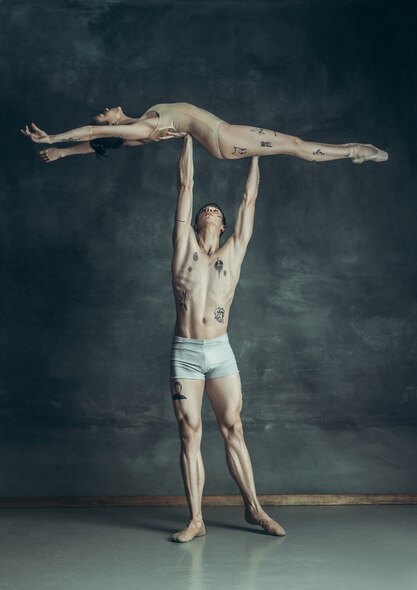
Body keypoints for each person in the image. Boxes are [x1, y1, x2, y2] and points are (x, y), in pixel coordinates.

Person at [169, 134, 285, 543]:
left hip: (220, 352)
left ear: (224, 224)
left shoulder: (233, 253)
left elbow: (248, 201)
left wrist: (255, 153)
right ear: (200, 220)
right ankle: (196, 520)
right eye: (207, 209)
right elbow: (186, 185)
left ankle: (254, 508)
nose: (213, 211)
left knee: (233, 427)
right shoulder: (184, 248)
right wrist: (186, 135)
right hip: (186, 353)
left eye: (218, 210)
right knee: (190, 432)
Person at [21, 102, 388, 164]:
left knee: (292, 145)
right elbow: (91, 131)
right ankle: (352, 152)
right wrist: (53, 139)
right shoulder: (143, 127)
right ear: (112, 122)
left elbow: (98, 144)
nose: (104, 111)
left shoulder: (136, 131)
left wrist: (65, 152)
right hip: (223, 138)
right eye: (103, 115)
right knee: (293, 145)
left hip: (222, 138)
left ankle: (352, 151)